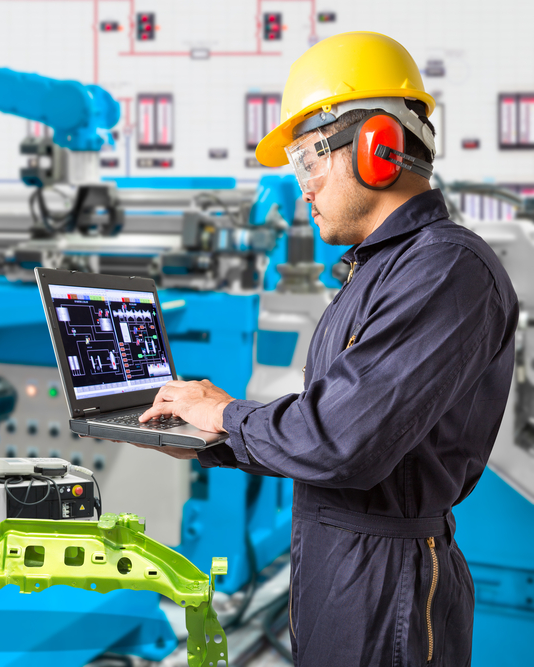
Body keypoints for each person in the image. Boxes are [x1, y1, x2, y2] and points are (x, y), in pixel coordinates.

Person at [134, 32, 519, 666]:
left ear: (377, 149)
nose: (303, 189)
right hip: (342, 568)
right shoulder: (381, 270)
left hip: (386, 586)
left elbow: (343, 441)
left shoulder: (447, 268)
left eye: (310, 161)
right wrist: (210, 431)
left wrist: (226, 415)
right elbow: (336, 426)